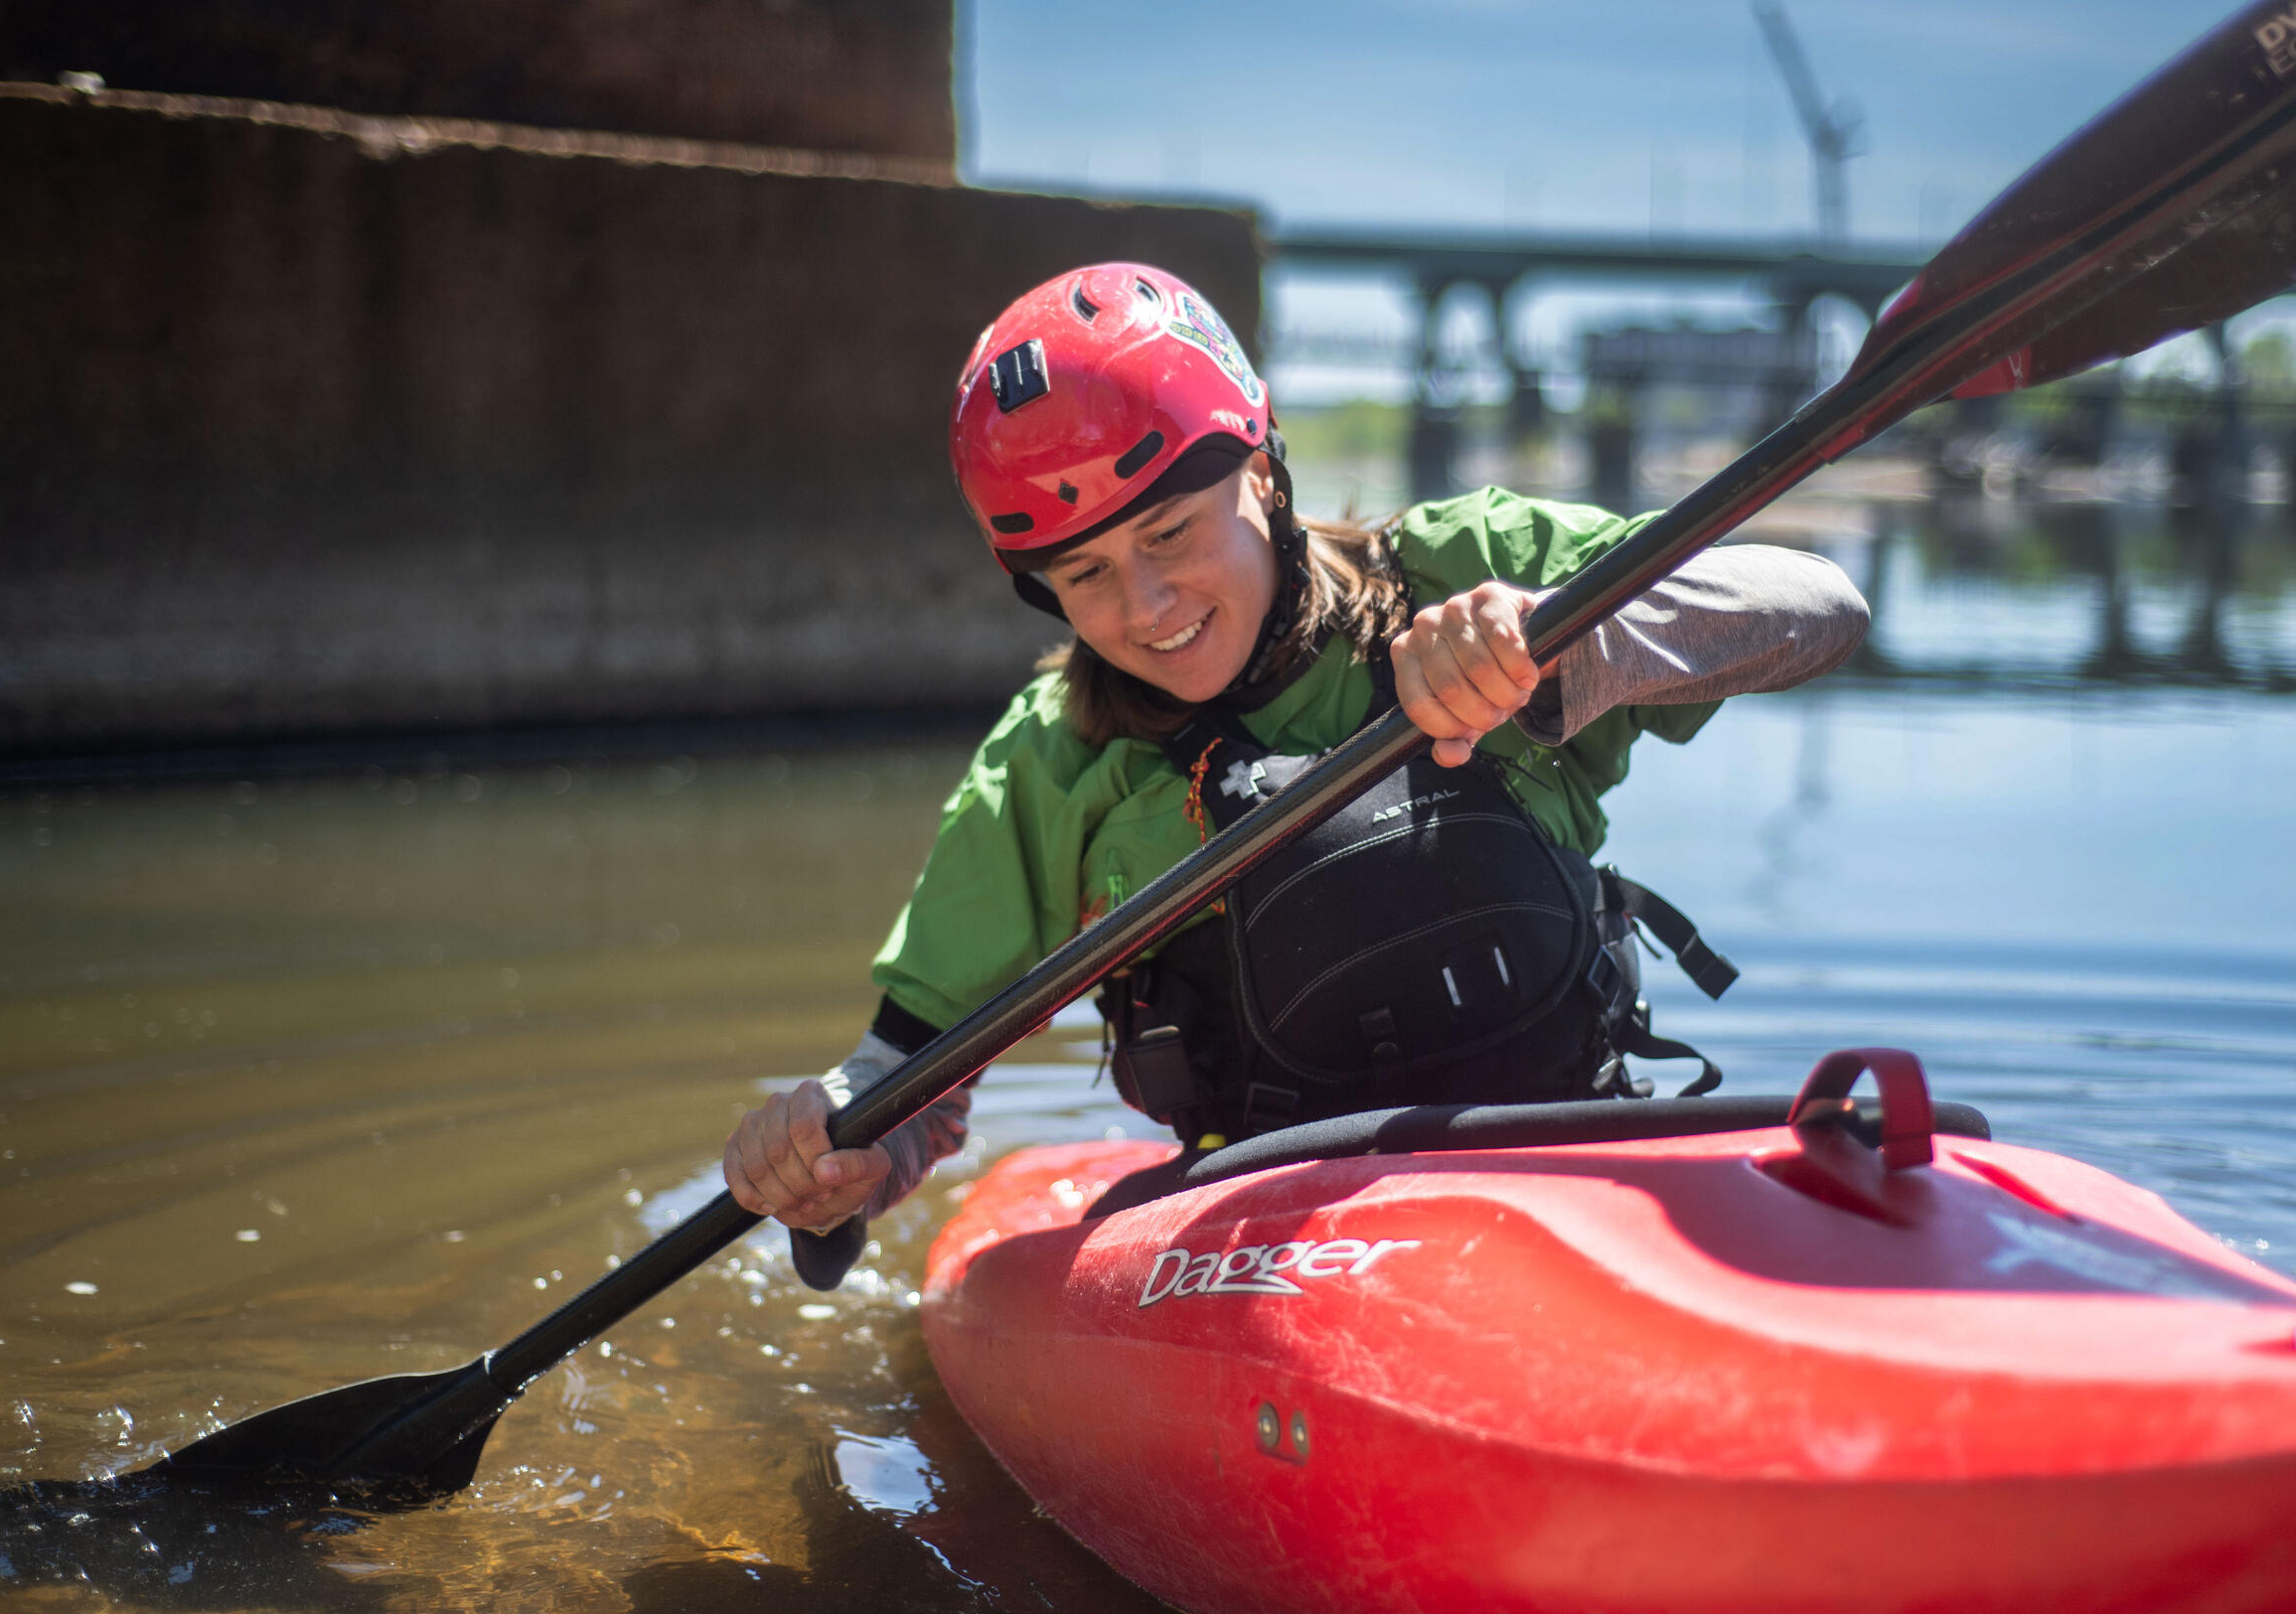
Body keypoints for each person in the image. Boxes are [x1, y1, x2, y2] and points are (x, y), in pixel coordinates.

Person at [723, 262, 1868, 1286]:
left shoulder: (1460, 570)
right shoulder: (1056, 754)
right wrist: (844, 1147)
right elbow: (905, 1075)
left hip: (1570, 1166)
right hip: (1265, 1240)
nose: (1146, 607)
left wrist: (1565, 642)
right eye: (1086, 574)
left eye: (1170, 531)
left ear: (1261, 471)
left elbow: (1821, 609)